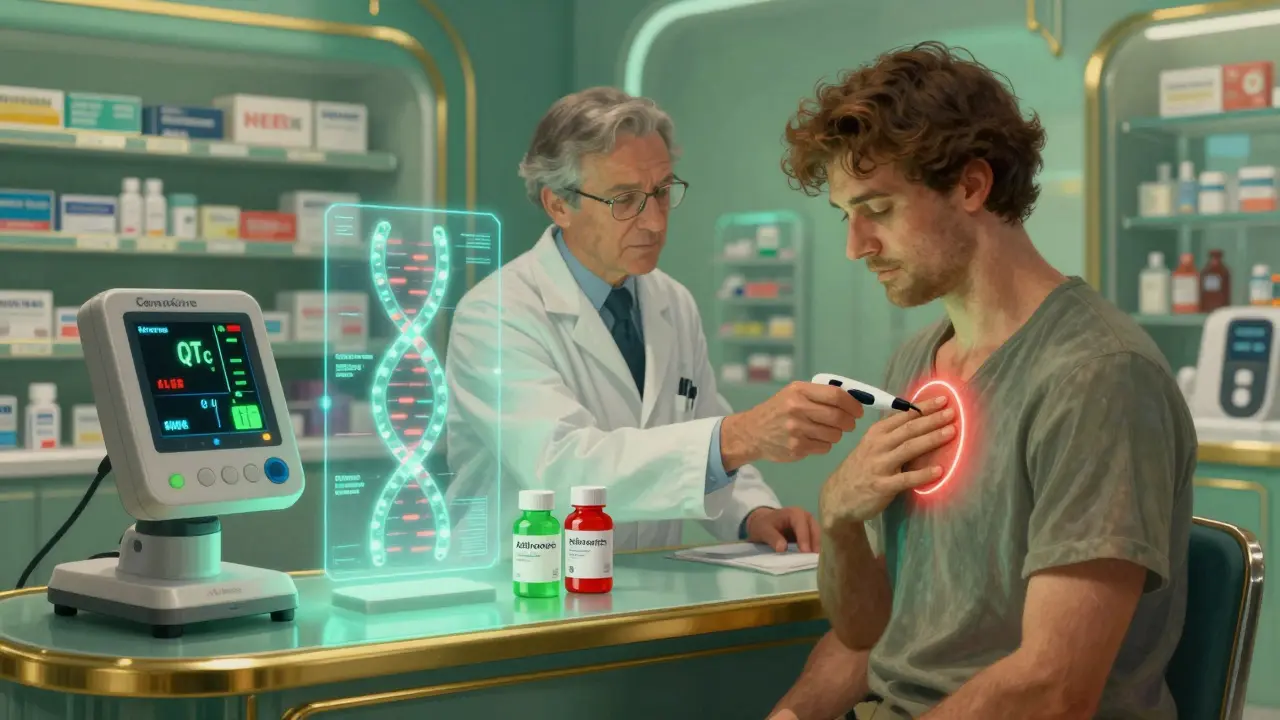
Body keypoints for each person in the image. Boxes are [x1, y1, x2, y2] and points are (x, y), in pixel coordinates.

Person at [769, 42, 1195, 719]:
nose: (856, 246)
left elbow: (1053, 687)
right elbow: (866, 636)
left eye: (879, 209)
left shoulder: (1097, 376)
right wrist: (840, 518)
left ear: (971, 187)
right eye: (846, 215)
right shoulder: (916, 365)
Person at [445, 87, 864, 552]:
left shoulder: (671, 301)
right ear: (558, 204)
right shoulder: (496, 315)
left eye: (662, 192)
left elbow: (704, 424)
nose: (655, 222)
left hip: (643, 583)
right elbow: (564, 470)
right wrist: (742, 435)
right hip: (522, 582)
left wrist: (752, 514)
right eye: (624, 199)